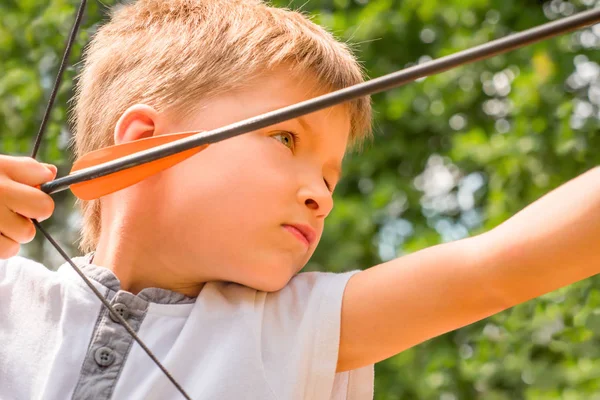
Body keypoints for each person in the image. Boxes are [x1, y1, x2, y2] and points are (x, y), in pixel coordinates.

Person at [1, 0, 599, 399]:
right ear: (145, 146)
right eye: (287, 137)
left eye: (332, 179)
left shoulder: (301, 327)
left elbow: (499, 268)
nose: (322, 196)